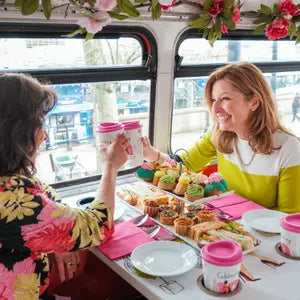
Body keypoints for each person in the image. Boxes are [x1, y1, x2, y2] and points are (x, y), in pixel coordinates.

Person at [0, 73, 130, 299]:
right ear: (15, 132)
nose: (44, 136)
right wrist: (110, 167)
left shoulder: (11, 183)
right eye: (38, 124)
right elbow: (98, 226)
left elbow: (41, 193)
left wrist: (53, 238)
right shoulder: (11, 200)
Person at [143, 62, 300, 213]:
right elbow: (183, 165)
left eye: (225, 98)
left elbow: (290, 216)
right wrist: (152, 154)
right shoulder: (218, 135)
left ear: (254, 102)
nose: (215, 108)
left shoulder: (288, 147)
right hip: (226, 221)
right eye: (213, 100)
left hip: (265, 235)